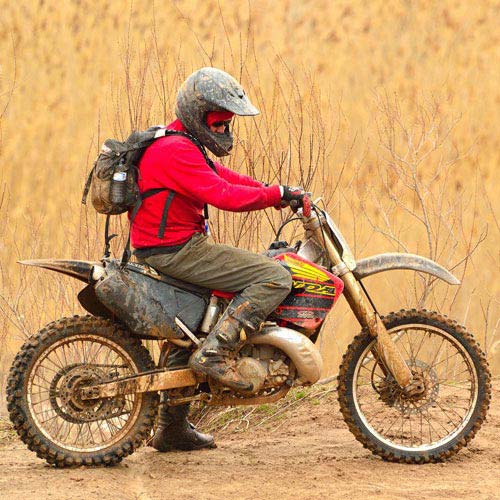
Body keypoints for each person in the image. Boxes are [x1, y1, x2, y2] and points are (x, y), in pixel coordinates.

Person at [131, 67, 305, 452]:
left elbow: (225, 176)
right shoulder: (176, 150)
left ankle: (171, 430)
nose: (225, 130)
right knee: (274, 276)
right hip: (175, 249)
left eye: (227, 123)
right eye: (219, 122)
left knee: (189, 327)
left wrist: (277, 191)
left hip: (163, 246)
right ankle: (217, 353)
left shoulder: (180, 141)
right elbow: (223, 194)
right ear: (198, 115)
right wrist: (274, 195)